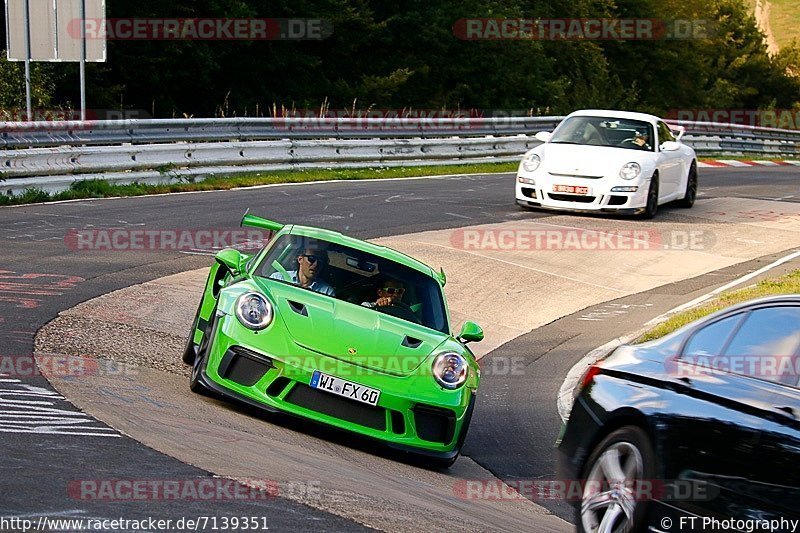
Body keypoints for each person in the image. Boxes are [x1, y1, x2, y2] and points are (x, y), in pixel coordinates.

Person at [270, 247, 335, 296]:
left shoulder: (327, 292)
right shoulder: (277, 278)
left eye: (320, 261)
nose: (315, 264)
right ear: (300, 259)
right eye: (312, 259)